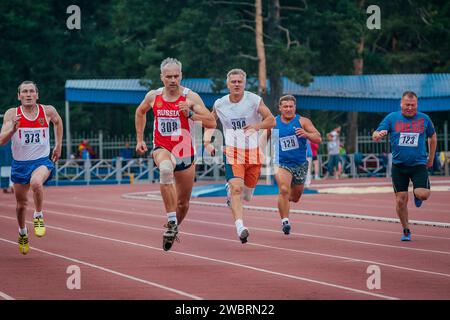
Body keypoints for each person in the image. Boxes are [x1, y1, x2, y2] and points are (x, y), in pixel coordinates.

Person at [135, 58, 216, 251]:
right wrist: (139, 139)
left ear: (181, 76)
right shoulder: (153, 97)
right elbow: (140, 113)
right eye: (169, 76)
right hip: (162, 148)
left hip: (186, 153)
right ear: (162, 77)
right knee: (164, 170)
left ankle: (173, 228)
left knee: (183, 204)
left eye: (176, 76)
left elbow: (211, 122)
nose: (173, 80)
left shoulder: (191, 98)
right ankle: (171, 220)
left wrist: (190, 114)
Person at [204, 68, 275, 244]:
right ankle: (240, 227)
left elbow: (271, 120)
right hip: (233, 151)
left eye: (239, 82)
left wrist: (256, 127)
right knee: (237, 188)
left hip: (253, 152)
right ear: (228, 84)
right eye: (233, 82)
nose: (236, 84)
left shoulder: (254, 100)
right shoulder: (220, 104)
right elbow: (210, 122)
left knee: (248, 195)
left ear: (244, 83)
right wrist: (207, 142)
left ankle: (233, 193)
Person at [0, 81, 63, 255]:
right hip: (20, 165)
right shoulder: (12, 114)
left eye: (31, 91)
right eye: (24, 92)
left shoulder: (48, 111)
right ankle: (22, 233)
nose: (28, 94)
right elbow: (1, 140)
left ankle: (38, 216)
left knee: (36, 183)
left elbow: (58, 122)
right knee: (21, 205)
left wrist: (58, 146)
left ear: (37, 95)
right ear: (19, 96)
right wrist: (13, 129)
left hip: (41, 161)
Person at [372, 91, 437, 241]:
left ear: (417, 105)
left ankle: (417, 194)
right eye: (407, 105)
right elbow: (375, 133)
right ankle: (406, 229)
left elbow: (432, 137)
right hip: (399, 166)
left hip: (419, 164)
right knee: (401, 200)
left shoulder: (424, 119)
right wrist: (377, 135)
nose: (409, 108)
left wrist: (431, 158)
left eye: (412, 105)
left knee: (423, 194)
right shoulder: (392, 118)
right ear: (401, 104)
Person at [273, 95, 321, 234]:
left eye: (291, 106)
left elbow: (318, 138)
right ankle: (285, 222)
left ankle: (284, 202)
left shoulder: (303, 121)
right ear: (280, 108)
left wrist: (306, 134)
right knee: (283, 189)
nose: (288, 109)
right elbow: (263, 138)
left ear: (295, 107)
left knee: (295, 197)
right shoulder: (274, 122)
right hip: (281, 163)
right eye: (285, 106)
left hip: (300, 164)